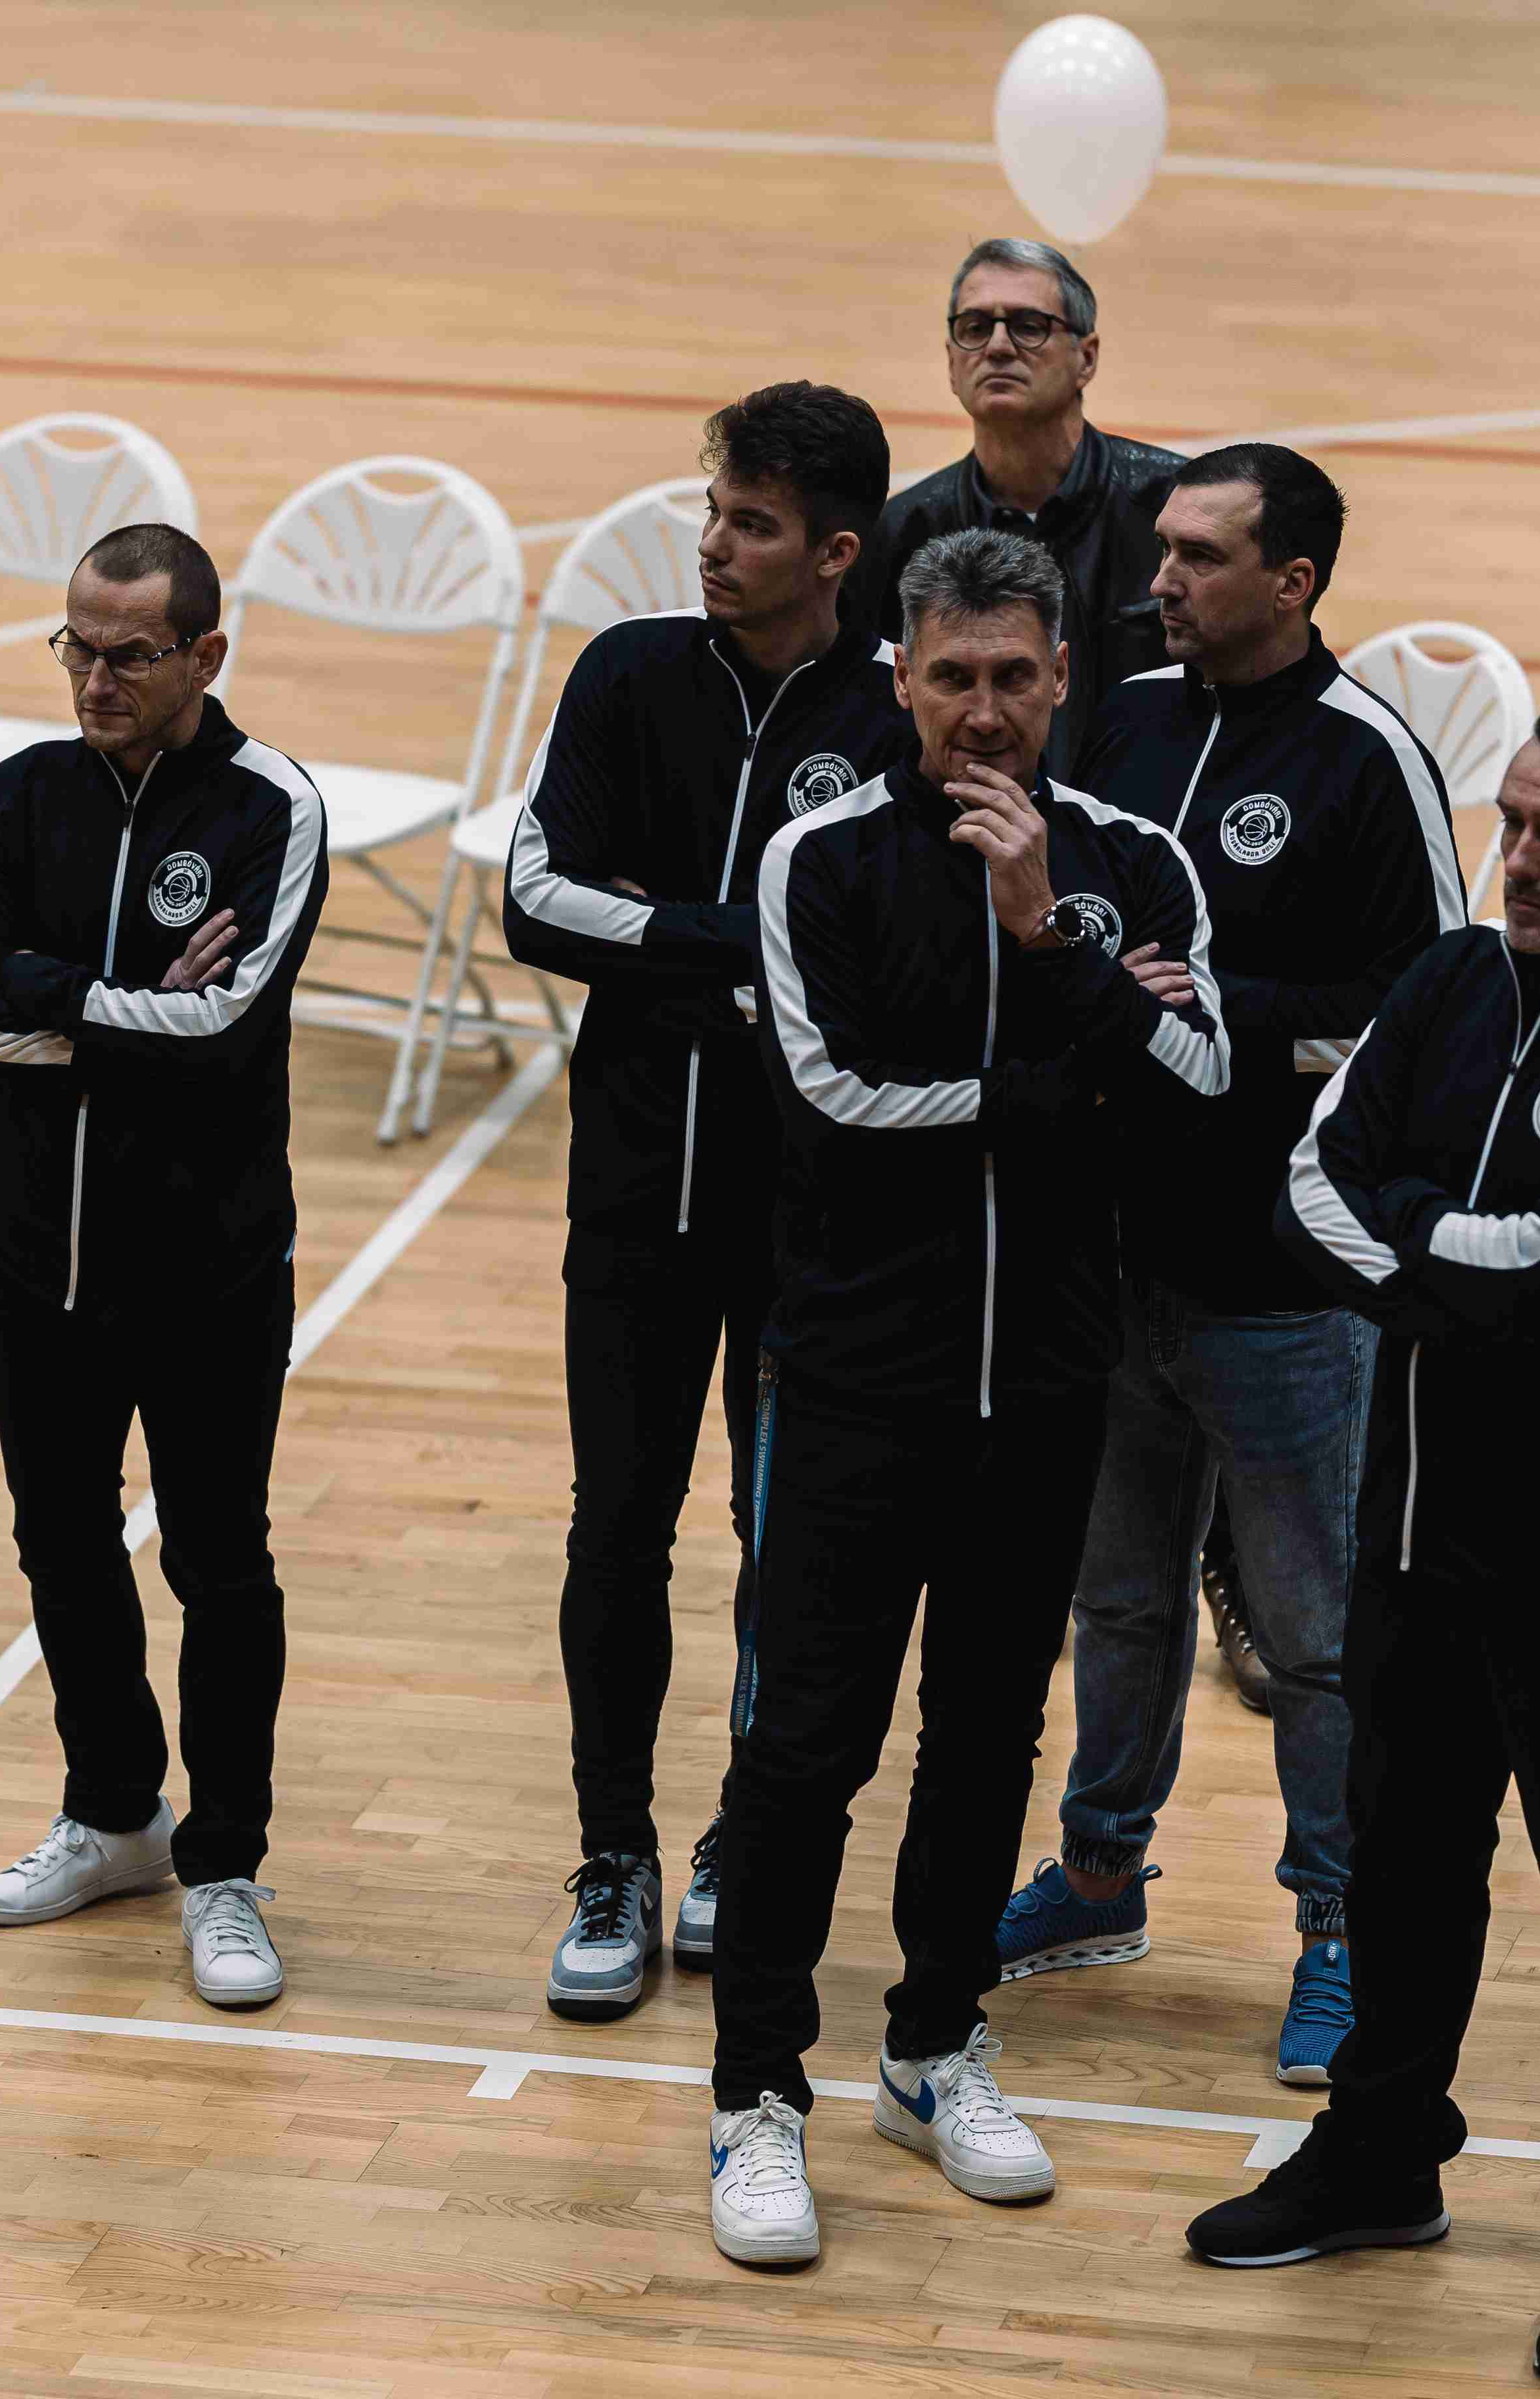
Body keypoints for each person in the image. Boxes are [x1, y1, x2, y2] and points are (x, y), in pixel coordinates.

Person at [1180, 695, 1540, 2388]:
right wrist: (1436, 1249)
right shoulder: (1445, 981)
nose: (1517, 859)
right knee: (1403, 1856)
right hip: (1418, 1524)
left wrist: (1412, 1237)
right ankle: (1381, 2154)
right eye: (1509, 822)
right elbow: (1308, 1186)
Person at [704, 529, 1225, 2269]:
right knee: (806, 1748)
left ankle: (933, 2049)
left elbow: (1199, 1091)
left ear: (1064, 677)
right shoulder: (820, 860)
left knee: (990, 1733)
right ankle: (757, 2095)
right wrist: (1061, 1084)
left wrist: (1046, 933)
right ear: (901, 680)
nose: (984, 715)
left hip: (1051, 1386)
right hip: (856, 1383)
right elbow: (834, 1103)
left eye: (1014, 679)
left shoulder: (1133, 863)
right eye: (952, 681)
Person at [998, 447, 1467, 2098]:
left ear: (1294, 581)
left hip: (1282, 1290)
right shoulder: (1121, 715)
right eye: (1164, 550)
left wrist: (1222, 1013)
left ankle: (1341, 1927)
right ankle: (1099, 1874)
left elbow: (1431, 1015)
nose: (1163, 580)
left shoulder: (1366, 761)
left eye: (1201, 557)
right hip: (1112, 1261)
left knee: (1315, 1640)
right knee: (1119, 1599)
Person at [500, 383, 909, 2022]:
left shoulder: (894, 713)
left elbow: (887, 957)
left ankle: (745, 1834)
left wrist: (664, 935)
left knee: (779, 1538)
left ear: (836, 551)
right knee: (616, 1522)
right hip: (630, 1196)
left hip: (813, 1219)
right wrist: (735, 946)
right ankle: (613, 1850)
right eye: (713, 514)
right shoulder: (628, 675)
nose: (714, 547)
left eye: (751, 524)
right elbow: (538, 900)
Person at [0, 523, 327, 2012]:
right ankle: (113, 1816)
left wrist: (46, 990)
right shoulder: (18, 795)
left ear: (204, 655)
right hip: (38, 1257)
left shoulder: (269, 806)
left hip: (210, 1269)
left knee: (219, 1563)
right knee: (60, 1539)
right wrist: (113, 1005)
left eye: (129, 655)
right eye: (77, 649)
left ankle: (223, 1864)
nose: (94, 681)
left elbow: (223, 1031)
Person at [854, 238, 1184, 783]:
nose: (999, 347)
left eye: (1030, 326)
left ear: (1087, 357)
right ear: (952, 363)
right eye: (975, 327)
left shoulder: (1177, 511)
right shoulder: (903, 531)